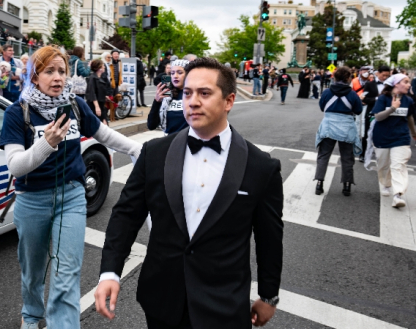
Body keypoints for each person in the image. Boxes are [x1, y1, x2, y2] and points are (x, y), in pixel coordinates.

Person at [95, 57, 283, 329]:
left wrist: (269, 295)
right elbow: (126, 215)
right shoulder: (154, 153)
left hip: (224, 306)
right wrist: (109, 272)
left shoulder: (261, 167)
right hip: (162, 300)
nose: (193, 101)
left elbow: (269, 237)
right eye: (187, 93)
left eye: (204, 93)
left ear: (228, 101)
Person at [0, 46, 141, 329]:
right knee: (33, 269)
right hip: (32, 200)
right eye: (49, 71)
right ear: (35, 75)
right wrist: (46, 144)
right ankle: (31, 315)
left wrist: (140, 149)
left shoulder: (75, 105)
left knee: (67, 272)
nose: (57, 78)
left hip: (72, 197)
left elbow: (104, 134)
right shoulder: (17, 112)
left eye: (62, 71)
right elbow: (15, 166)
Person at [371, 74, 416, 208]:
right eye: (406, 82)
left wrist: (414, 133)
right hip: (382, 137)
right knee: (383, 165)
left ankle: (398, 194)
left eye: (409, 82)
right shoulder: (383, 98)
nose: (409, 85)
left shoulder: (408, 101)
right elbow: (378, 117)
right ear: (396, 84)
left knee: (398, 165)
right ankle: (386, 184)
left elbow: (409, 117)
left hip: (401, 137)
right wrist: (393, 108)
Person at [315, 67, 363, 196]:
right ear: (348, 78)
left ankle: (319, 183)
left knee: (323, 155)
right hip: (346, 127)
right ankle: (346, 185)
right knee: (347, 158)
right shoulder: (353, 94)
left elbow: (322, 107)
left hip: (329, 126)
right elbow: (358, 110)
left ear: (334, 77)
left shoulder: (327, 92)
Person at [147, 59, 190, 135]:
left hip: (188, 142)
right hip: (169, 142)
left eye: (180, 73)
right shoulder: (167, 94)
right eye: (172, 73)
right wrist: (157, 101)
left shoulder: (194, 95)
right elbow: (151, 125)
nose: (175, 76)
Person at [86, 59, 110, 124]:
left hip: (101, 104)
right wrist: (97, 107)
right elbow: (92, 93)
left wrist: (104, 96)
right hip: (95, 106)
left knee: (104, 124)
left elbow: (98, 91)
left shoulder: (100, 77)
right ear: (99, 68)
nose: (104, 67)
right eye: (103, 66)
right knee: (99, 124)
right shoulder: (92, 78)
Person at [107, 50, 123, 122]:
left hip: (117, 83)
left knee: (116, 100)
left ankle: (114, 114)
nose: (116, 55)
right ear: (112, 55)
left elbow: (120, 72)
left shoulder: (119, 62)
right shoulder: (110, 62)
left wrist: (121, 79)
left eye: (117, 54)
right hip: (111, 84)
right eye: (115, 54)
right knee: (109, 100)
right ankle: (108, 115)